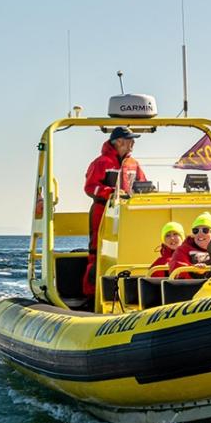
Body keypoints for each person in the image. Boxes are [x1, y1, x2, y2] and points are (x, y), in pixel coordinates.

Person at [82, 126, 145, 297]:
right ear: (118, 142)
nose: (133, 143)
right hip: (102, 212)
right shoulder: (101, 163)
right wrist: (110, 193)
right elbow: (90, 187)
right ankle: (91, 294)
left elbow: (143, 183)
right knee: (97, 252)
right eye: (130, 139)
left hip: (128, 214)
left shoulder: (134, 164)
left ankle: (125, 293)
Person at [169, 212, 211, 277]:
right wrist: (193, 270)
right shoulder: (182, 250)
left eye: (205, 230)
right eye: (195, 231)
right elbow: (177, 272)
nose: (200, 234)